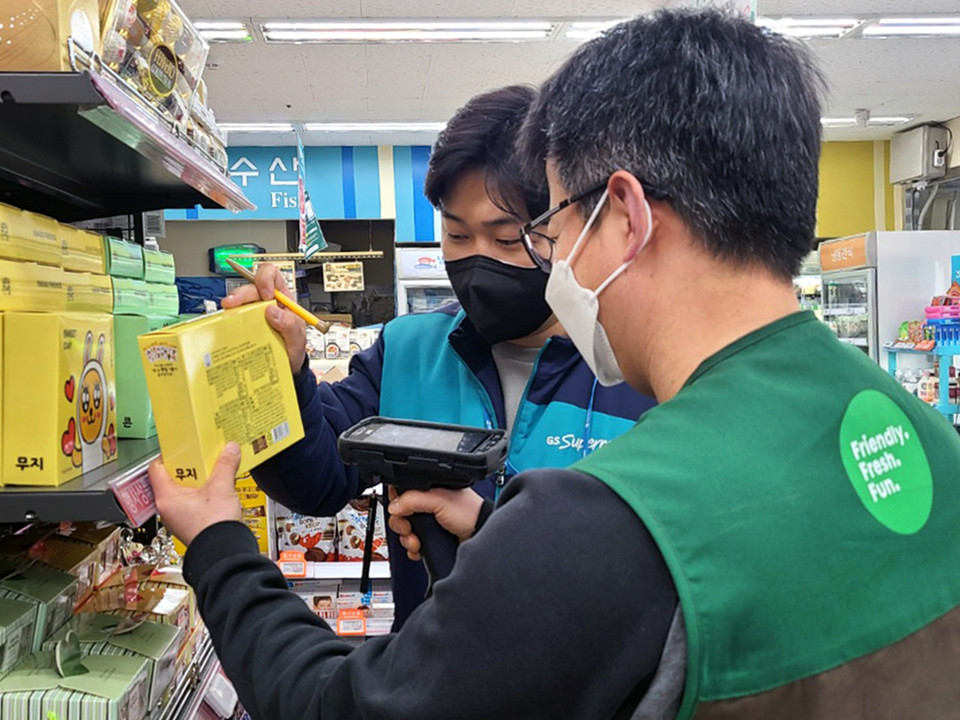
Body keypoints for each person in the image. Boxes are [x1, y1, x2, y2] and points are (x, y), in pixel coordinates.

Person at [150, 9, 960, 719]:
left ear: (627, 216)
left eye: (551, 224)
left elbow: (348, 709)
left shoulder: (602, 521)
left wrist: (220, 546)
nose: (549, 255)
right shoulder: (922, 434)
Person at [219, 84, 655, 628]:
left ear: (565, 225)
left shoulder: (636, 368)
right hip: (425, 680)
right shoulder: (408, 349)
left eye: (504, 238)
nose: (478, 259)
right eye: (456, 233)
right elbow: (318, 480)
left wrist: (490, 529)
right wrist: (281, 375)